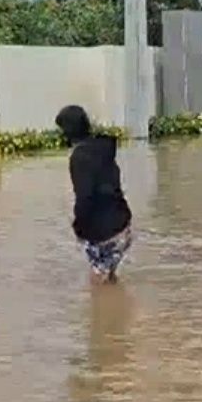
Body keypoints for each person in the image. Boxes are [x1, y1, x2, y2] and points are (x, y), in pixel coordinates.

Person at [56, 105, 133, 285]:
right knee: (109, 281)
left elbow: (84, 196)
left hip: (105, 233)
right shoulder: (102, 148)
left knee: (97, 286)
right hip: (123, 225)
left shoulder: (79, 158)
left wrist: (78, 226)